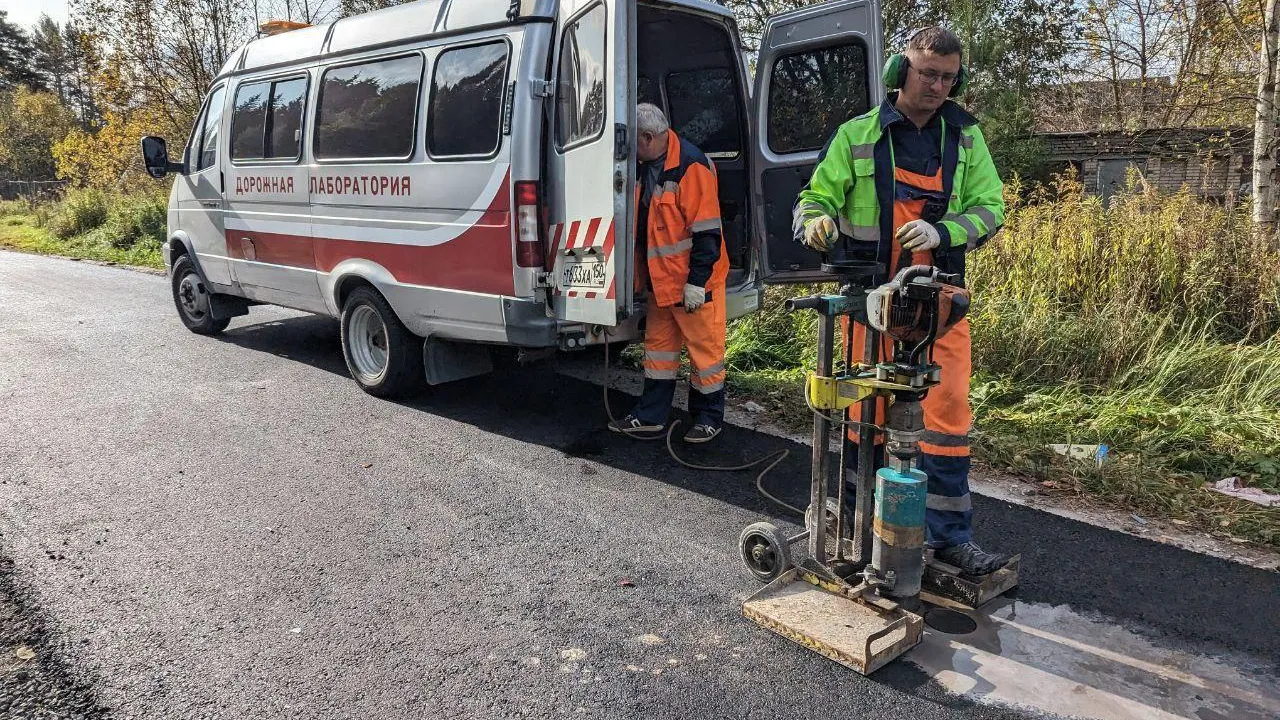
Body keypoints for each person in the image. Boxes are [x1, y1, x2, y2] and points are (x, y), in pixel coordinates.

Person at [793, 27, 1010, 575]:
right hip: (869, 301)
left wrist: (945, 232)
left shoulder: (966, 138)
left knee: (946, 416)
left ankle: (947, 538)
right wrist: (815, 219)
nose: (938, 85)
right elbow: (813, 197)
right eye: (927, 73)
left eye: (947, 76)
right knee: (862, 413)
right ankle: (854, 520)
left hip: (938, 304)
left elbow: (991, 208)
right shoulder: (857, 135)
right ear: (899, 72)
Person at [608, 103, 729, 444]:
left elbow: (708, 232)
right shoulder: (642, 166)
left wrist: (696, 282)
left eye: (635, 141)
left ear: (648, 137)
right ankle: (651, 416)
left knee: (705, 356)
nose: (630, 149)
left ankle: (708, 419)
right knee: (659, 353)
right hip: (661, 285)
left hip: (694, 283)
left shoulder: (692, 166)